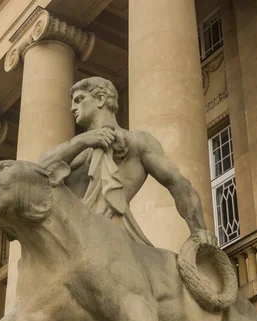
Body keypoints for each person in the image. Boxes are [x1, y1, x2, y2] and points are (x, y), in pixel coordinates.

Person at [38, 76, 216, 247]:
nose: (72, 108)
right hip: (69, 238)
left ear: (100, 99)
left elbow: (177, 183)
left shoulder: (138, 142)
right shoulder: (75, 149)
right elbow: (38, 173)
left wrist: (198, 230)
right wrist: (83, 140)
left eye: (79, 100)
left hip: (111, 237)